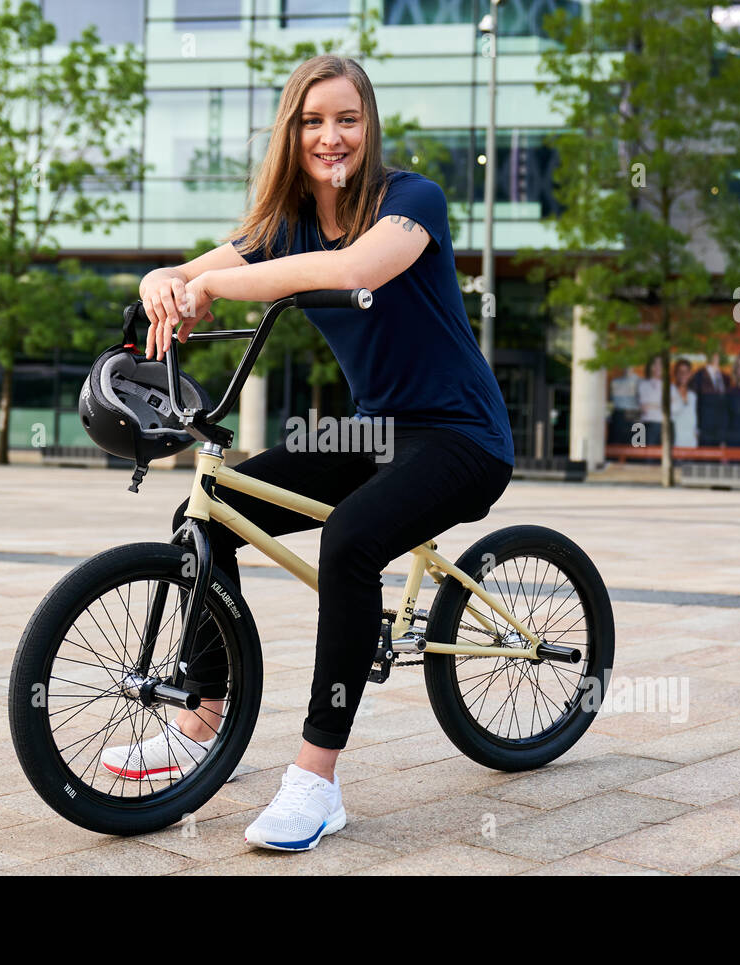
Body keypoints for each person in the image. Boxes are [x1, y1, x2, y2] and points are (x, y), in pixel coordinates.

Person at [114, 55, 514, 852]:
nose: (331, 137)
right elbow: (200, 268)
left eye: (347, 119)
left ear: (369, 127)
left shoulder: (412, 201)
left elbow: (350, 270)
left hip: (462, 435)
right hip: (373, 431)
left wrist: (218, 286)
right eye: (312, 121)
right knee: (208, 515)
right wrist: (167, 279)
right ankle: (204, 724)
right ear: (291, 134)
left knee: (352, 539)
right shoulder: (284, 225)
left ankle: (317, 781)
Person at [688, 351, 731, 445]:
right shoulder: (698, 376)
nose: (715, 356)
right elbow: (693, 404)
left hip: (722, 429)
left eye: (717, 352)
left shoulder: (726, 378)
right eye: (712, 351)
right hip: (704, 429)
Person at [636, 356, 664, 445]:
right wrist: (661, 405)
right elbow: (643, 407)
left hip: (662, 426)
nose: (658, 367)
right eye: (655, 364)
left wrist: (652, 405)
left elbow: (674, 407)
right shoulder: (642, 385)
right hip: (643, 424)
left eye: (661, 364)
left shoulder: (670, 387)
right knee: (644, 456)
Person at [609, 366, 640, 444]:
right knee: (616, 443)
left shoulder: (640, 381)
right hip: (618, 414)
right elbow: (612, 400)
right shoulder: (615, 381)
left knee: (634, 444)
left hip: (634, 413)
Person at [670, 358, 698, 448]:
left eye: (686, 372)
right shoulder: (670, 391)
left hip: (691, 442)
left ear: (690, 374)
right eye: (680, 371)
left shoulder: (693, 396)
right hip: (675, 441)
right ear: (675, 374)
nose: (683, 375)